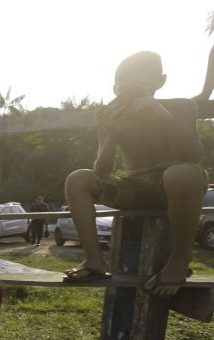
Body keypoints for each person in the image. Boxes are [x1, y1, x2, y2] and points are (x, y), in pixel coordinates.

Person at [63, 51, 207, 296]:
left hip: (178, 184)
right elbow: (102, 170)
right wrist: (110, 133)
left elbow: (192, 156)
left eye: (141, 85)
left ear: (160, 82)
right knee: (78, 179)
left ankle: (179, 262)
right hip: (135, 187)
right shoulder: (113, 116)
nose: (131, 93)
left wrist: (162, 116)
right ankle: (94, 260)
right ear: (114, 89)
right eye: (123, 88)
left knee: (181, 174)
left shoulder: (180, 106)